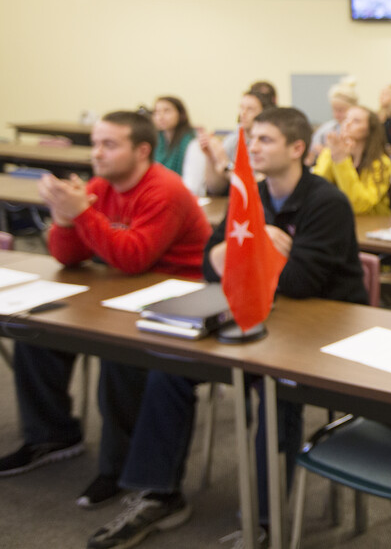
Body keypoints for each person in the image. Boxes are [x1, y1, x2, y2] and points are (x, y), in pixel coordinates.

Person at [90, 107, 368, 549]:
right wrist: (257, 249)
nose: (252, 147)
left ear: (297, 149)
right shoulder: (250, 193)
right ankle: (159, 494)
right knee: (170, 367)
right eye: (251, 138)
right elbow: (211, 264)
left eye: (265, 140)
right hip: (261, 318)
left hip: (322, 330)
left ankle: (263, 519)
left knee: (276, 394)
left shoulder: (325, 202)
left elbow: (299, 283)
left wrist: (249, 254)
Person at [0, 111, 211, 512]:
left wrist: (81, 214)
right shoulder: (103, 185)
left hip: (174, 300)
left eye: (109, 145)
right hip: (119, 291)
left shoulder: (164, 190)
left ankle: (118, 470)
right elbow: (69, 256)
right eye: (95, 143)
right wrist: (64, 218)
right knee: (37, 328)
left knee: (120, 356)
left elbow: (134, 257)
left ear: (142, 150)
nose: (96, 153)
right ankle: (53, 435)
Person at [312, 104, 391, 216]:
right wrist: (333, 154)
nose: (347, 124)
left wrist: (341, 160)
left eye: (356, 121)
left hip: (372, 224)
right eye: (346, 119)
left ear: (369, 129)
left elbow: (360, 205)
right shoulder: (331, 152)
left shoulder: (381, 163)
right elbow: (316, 189)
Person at [199, 89, 272, 196]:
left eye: (250, 109)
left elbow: (257, 186)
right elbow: (215, 189)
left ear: (264, 113)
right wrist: (210, 157)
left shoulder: (270, 143)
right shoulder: (232, 141)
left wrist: (226, 166)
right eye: (241, 108)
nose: (243, 113)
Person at [151, 95, 204, 196]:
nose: (160, 116)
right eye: (156, 112)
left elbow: (193, 186)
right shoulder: (154, 142)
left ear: (180, 114)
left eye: (166, 111)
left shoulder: (192, 142)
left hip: (184, 197)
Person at [306, 76, 359, 166]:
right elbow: (313, 145)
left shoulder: (358, 130)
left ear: (354, 108)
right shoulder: (327, 128)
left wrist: (329, 152)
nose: (337, 115)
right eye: (334, 110)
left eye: (341, 110)